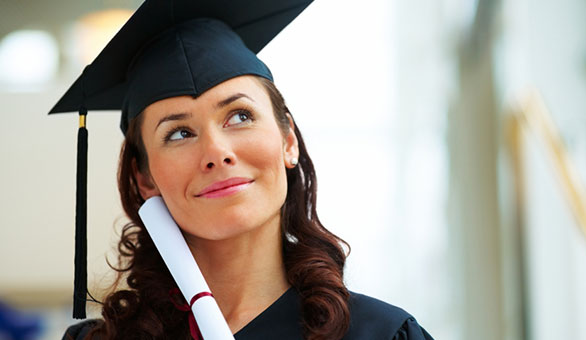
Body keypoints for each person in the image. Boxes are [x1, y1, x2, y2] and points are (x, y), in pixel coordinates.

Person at [53, 0, 434, 339]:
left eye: (239, 116)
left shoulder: (381, 333)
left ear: (288, 141)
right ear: (145, 178)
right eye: (180, 133)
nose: (217, 153)